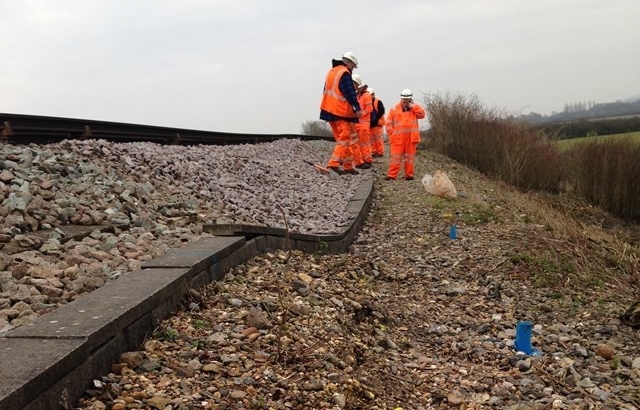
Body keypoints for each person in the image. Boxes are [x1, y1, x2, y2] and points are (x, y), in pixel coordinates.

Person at [319, 51, 362, 175]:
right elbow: (349, 93)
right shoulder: (344, 73)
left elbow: (326, 90)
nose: (353, 69)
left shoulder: (332, 72)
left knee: (343, 139)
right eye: (353, 66)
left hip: (329, 110)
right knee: (344, 139)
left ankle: (348, 166)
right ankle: (333, 165)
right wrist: (357, 108)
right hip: (340, 112)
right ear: (349, 63)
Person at [385, 89, 426, 181]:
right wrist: (392, 133)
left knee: (409, 158)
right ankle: (392, 175)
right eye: (403, 99)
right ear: (401, 99)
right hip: (398, 138)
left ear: (410, 100)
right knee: (395, 158)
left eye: (407, 100)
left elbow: (422, 114)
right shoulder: (394, 109)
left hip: (411, 139)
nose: (405, 101)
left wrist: (414, 106)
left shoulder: (414, 110)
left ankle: (409, 174)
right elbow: (388, 123)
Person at [351, 74, 373, 169]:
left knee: (364, 143)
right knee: (358, 143)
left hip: (363, 124)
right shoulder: (358, 95)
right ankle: (360, 160)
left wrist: (360, 114)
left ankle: (367, 160)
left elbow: (369, 108)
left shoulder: (366, 95)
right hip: (357, 123)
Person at [368, 87, 386, 158]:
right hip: (371, 124)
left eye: (371, 95)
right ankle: (373, 152)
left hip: (377, 123)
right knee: (372, 139)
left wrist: (376, 119)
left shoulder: (378, 101)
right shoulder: (367, 102)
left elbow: (382, 111)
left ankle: (380, 152)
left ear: (373, 94)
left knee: (378, 139)